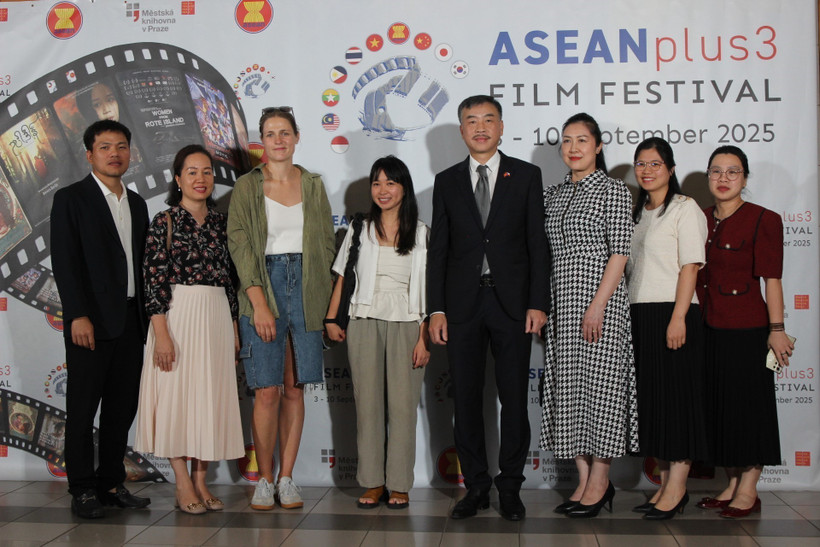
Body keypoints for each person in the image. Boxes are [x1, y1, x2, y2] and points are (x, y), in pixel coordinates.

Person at [428, 95, 549, 521]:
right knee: (466, 400)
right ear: (461, 130)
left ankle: (511, 487)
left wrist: (538, 302)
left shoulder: (527, 175)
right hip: (461, 306)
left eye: (488, 120)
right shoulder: (446, 181)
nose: (480, 127)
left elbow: (538, 243)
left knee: (514, 400)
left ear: (501, 126)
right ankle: (476, 485)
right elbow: (438, 250)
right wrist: (436, 309)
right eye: (471, 121)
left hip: (513, 304)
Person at [228, 107, 335, 511]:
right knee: (267, 391)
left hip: (307, 286)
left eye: (285, 132)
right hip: (263, 287)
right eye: (270, 133)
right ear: (262, 140)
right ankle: (265, 478)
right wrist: (258, 302)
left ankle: (288, 477)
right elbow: (239, 245)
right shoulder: (245, 187)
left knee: (294, 388)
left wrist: (322, 303)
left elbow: (325, 245)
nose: (278, 140)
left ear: (296, 136)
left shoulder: (313, 184)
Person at [134, 145, 244, 514]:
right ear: (178, 179)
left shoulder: (221, 223)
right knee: (177, 399)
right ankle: (182, 481)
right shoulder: (163, 223)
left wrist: (232, 325)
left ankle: (202, 479)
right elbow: (153, 282)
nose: (201, 179)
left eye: (207, 172)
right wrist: (161, 333)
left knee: (208, 400)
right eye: (192, 172)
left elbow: (230, 281)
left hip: (215, 317)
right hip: (178, 317)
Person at [50, 120, 151, 519]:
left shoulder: (138, 203)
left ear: (131, 152)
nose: (115, 153)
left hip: (131, 321)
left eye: (122, 146)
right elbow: (65, 262)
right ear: (89, 153)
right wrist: (77, 314)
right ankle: (82, 489)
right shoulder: (71, 199)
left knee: (120, 409)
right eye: (105, 146)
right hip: (89, 322)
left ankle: (111, 483)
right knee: (82, 408)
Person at [540, 113, 637, 518]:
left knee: (601, 392)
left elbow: (620, 252)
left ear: (597, 146)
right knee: (569, 392)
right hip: (561, 303)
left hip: (601, 303)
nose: (573, 147)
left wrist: (597, 305)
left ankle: (601, 481)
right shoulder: (552, 194)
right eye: (566, 140)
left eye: (582, 140)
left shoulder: (614, 191)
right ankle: (582, 481)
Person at [325, 156, 430, 510]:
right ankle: (372, 482)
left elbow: (431, 290)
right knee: (367, 407)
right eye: (376, 183)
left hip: (408, 323)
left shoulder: (421, 231)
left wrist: (424, 336)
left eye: (390, 182)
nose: (382, 190)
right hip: (363, 321)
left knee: (402, 409)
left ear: (404, 187)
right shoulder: (360, 228)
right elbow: (342, 276)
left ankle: (399, 484)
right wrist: (331, 318)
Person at [695, 145, 793, 518]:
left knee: (752, 410)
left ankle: (750, 488)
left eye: (732, 172)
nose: (723, 179)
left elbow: (773, 280)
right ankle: (733, 482)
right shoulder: (699, 218)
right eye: (716, 171)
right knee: (722, 410)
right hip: (708, 327)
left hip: (749, 329)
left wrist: (777, 329)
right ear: (707, 176)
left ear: (745, 178)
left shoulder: (763, 219)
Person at [625, 138, 709, 520]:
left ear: (671, 170)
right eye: (641, 163)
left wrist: (678, 317)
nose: (647, 170)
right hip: (639, 314)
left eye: (655, 164)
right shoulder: (638, 211)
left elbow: (690, 265)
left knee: (676, 401)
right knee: (654, 403)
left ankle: (677, 488)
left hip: (674, 314)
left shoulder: (684, 208)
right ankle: (662, 485)